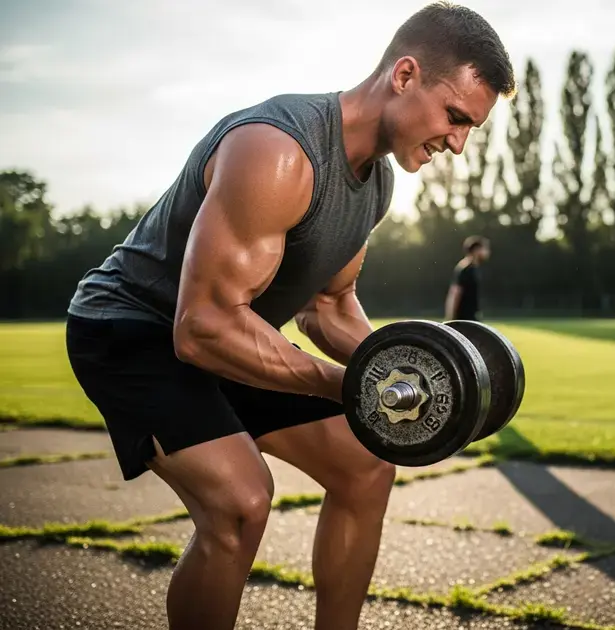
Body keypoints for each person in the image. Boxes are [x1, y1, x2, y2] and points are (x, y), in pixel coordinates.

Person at [63, 3, 516, 629]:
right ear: (405, 75)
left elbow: (328, 307)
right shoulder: (277, 150)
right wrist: (353, 386)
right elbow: (203, 327)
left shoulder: (376, 183)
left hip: (225, 333)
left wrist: (417, 368)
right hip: (130, 329)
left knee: (366, 465)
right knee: (240, 503)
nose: (459, 144)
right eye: (455, 117)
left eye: (471, 128)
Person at [444, 235, 490, 321]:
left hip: (472, 316)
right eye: (485, 249)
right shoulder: (465, 269)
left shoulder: (474, 268)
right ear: (476, 250)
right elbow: (455, 293)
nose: (487, 252)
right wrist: (451, 318)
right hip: (464, 318)